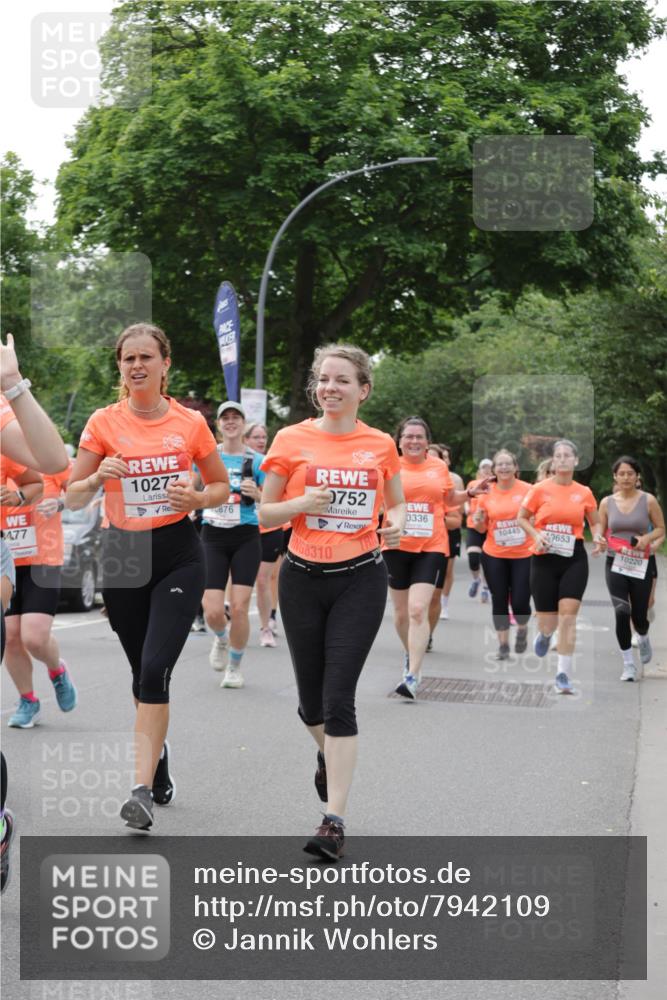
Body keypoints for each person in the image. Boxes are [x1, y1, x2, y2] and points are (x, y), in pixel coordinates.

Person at [66, 323, 229, 831]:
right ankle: (156, 759)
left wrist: (197, 497)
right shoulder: (103, 422)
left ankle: (139, 793)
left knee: (156, 668)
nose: (137, 366)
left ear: (165, 364)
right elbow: (71, 496)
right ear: (120, 366)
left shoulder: (190, 423)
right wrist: (97, 477)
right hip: (123, 554)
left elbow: (221, 486)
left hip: (178, 552)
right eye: (128, 358)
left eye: (146, 357)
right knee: (141, 672)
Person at [259, 344, 405, 860]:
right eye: (324, 379)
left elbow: (397, 503)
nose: (330, 388)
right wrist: (301, 503)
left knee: (339, 699)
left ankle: (333, 821)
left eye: (342, 380)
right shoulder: (290, 439)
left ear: (363, 389)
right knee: (311, 706)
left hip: (360, 579)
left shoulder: (381, 445)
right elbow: (265, 514)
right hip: (301, 579)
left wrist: (397, 523)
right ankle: (330, 755)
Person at [1, 332, 69, 891]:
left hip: (36, 554)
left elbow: (52, 464)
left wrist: (12, 385)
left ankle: (54, 674)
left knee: (29, 635)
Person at [385, 419, 489, 699]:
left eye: (419, 437)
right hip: (395, 544)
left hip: (431, 545)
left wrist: (469, 494)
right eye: (408, 436)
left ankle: (412, 675)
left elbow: (449, 498)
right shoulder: (389, 466)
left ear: (427, 441)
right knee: (401, 614)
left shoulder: (438, 467)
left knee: (418, 609)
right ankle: (411, 652)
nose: (414, 441)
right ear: (399, 441)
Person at [517, 439, 605, 694]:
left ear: (576, 461)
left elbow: (595, 522)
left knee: (568, 615)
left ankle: (562, 674)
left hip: (573, 558)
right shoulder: (539, 490)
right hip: (544, 557)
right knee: (548, 622)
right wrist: (536, 535)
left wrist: (598, 536)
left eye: (568, 455)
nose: (563, 459)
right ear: (553, 461)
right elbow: (521, 518)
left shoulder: (584, 492)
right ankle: (545, 635)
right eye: (559, 455)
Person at [2, 457, 77, 727]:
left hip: (42, 559)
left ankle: (57, 670)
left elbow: (82, 492)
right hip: (7, 561)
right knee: (10, 637)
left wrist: (60, 503)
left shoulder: (50, 459)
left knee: (33, 637)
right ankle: (28, 701)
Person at [199, 402, 264, 687]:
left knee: (239, 607)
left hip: (245, 536)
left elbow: (273, 499)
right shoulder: (207, 457)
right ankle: (221, 638)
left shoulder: (257, 461)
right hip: (212, 535)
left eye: (236, 417)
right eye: (225, 418)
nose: (230, 422)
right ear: (218, 425)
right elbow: (191, 486)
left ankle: (235, 667)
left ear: (243, 424)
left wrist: (258, 494)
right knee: (212, 610)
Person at [598, 456, 665, 680]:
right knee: (621, 611)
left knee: (639, 615)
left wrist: (647, 539)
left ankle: (643, 636)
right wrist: (599, 540)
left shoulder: (648, 501)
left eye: (630, 473)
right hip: (615, 562)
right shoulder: (607, 502)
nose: (626, 477)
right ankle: (628, 665)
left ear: (637, 477)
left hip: (641, 563)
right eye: (621, 474)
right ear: (615, 477)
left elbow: (660, 528)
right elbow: (600, 530)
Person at [473, 450, 533, 659]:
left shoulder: (528, 490)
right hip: (494, 554)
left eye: (508, 463)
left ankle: (522, 628)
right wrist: (478, 522)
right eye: (500, 464)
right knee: (499, 599)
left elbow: (539, 516)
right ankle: (503, 645)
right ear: (494, 469)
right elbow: (481, 528)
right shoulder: (486, 492)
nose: (504, 467)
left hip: (524, 554)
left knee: (520, 600)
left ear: (516, 467)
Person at [243, 422, 283, 647]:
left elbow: (278, 500)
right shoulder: (238, 463)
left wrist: (258, 496)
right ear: (246, 439)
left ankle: (266, 626)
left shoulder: (272, 464)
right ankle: (234, 618)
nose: (261, 441)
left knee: (263, 579)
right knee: (241, 579)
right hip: (245, 529)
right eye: (256, 437)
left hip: (270, 529)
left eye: (263, 437)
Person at [465, 458, 493, 603]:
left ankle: (485, 588)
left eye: (489, 468)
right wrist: (466, 509)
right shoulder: (472, 484)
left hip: (490, 527)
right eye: (484, 467)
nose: (486, 470)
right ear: (479, 470)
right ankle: (476, 580)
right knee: (473, 558)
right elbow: (466, 499)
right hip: (473, 525)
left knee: (487, 561)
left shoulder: (495, 486)